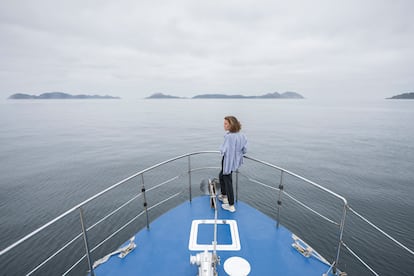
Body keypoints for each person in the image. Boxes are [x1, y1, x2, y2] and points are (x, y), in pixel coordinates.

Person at [218, 116, 247, 212]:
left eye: (226, 123)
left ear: (231, 125)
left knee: (227, 180)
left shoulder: (229, 137)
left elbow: (224, 150)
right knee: (222, 176)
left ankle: (231, 205)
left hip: (227, 161)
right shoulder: (242, 135)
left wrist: (221, 149)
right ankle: (224, 196)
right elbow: (245, 149)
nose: (224, 125)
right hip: (234, 161)